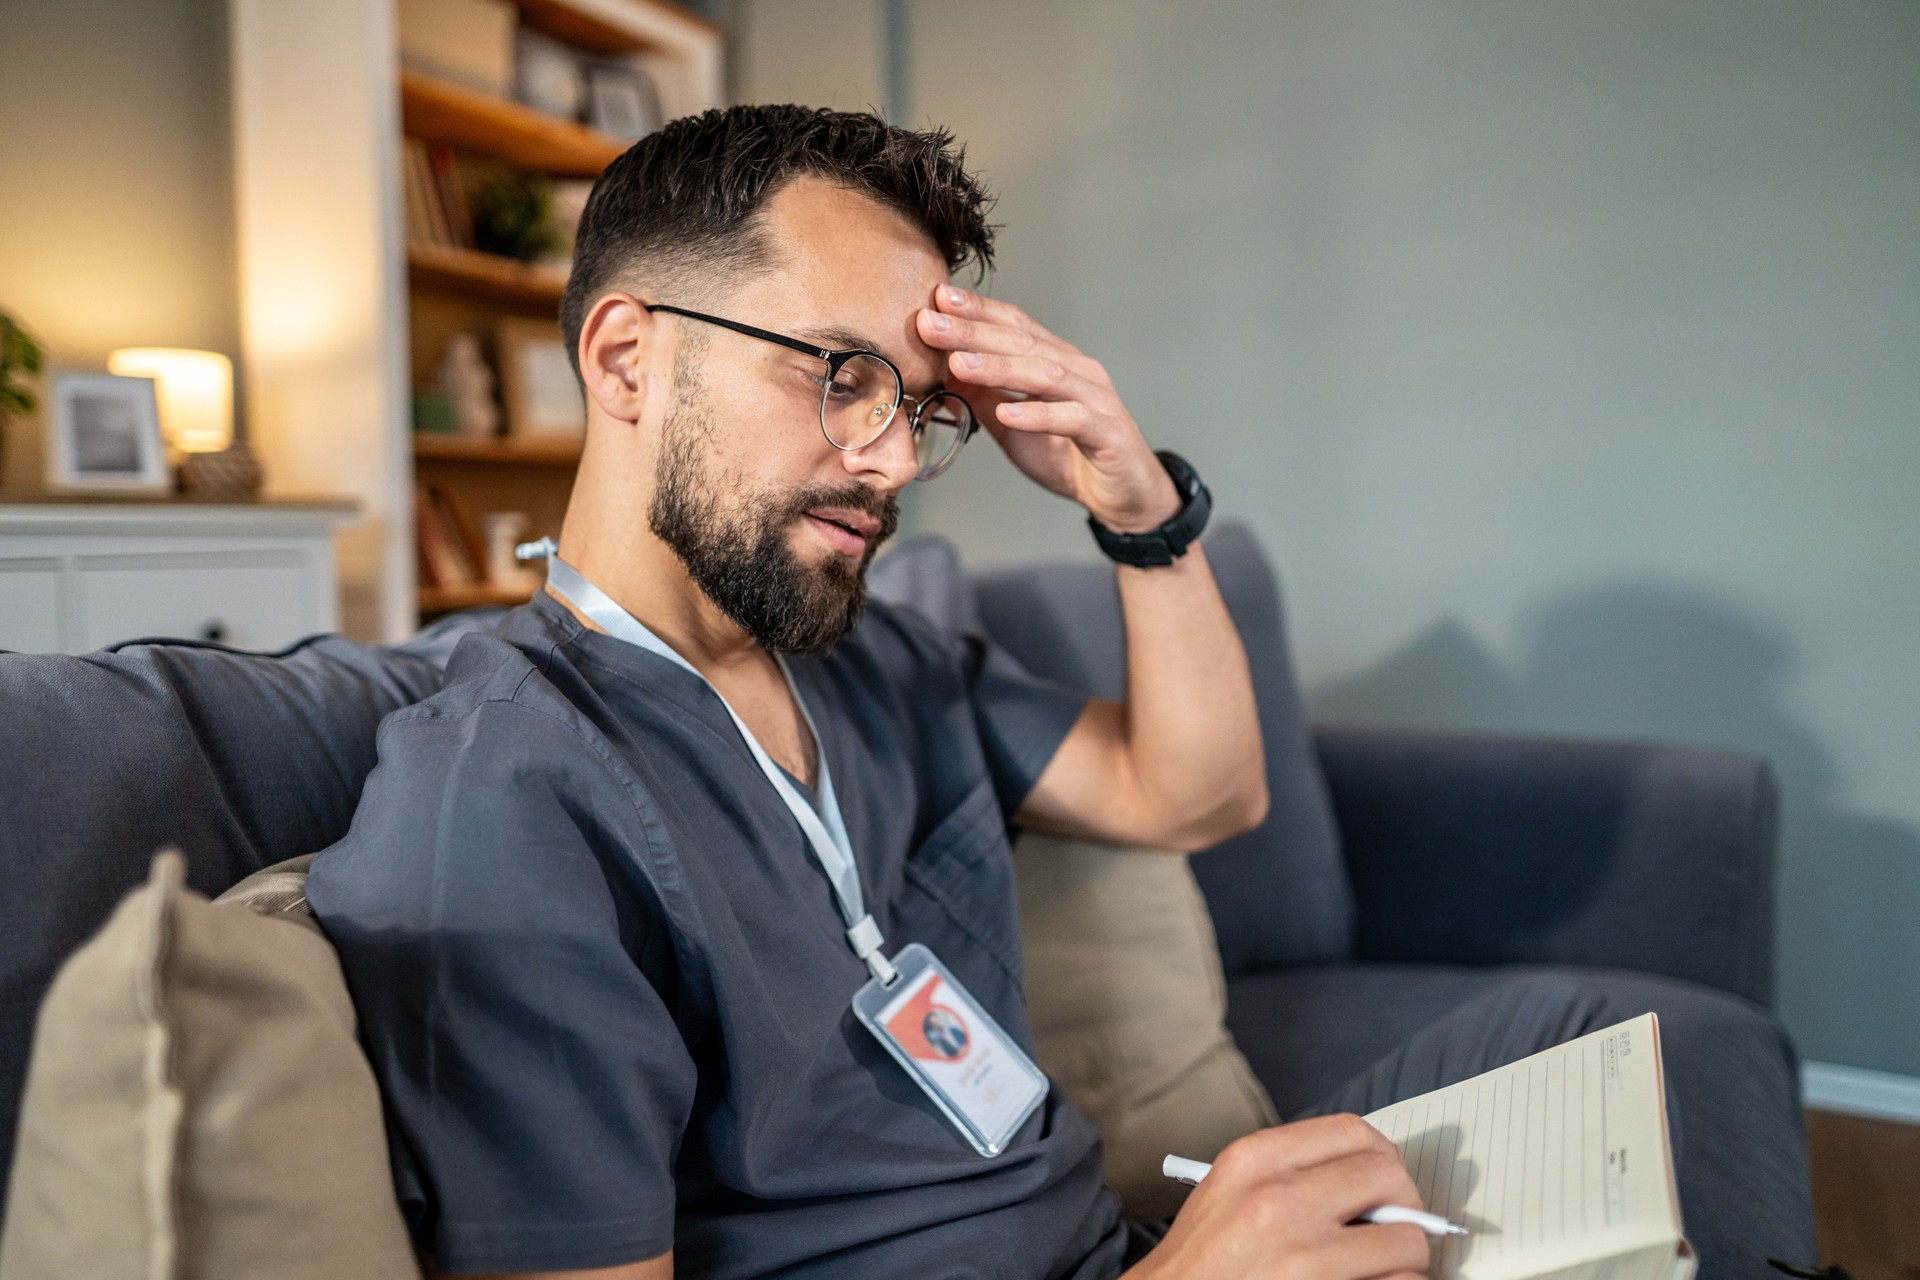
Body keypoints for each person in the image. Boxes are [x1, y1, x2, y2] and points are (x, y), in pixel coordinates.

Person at [308, 105, 1813, 1280]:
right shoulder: (504, 799)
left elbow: (1202, 792)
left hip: (1116, 1244)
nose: (896, 461)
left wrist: (1136, 501)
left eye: (919, 406)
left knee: (1612, 1041)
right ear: (628, 360)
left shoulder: (874, 660)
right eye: (838, 375)